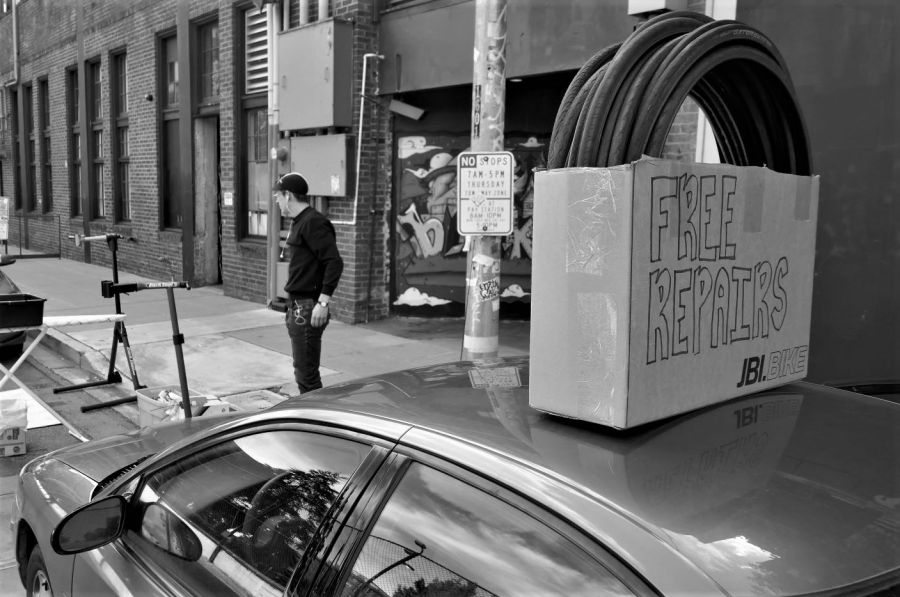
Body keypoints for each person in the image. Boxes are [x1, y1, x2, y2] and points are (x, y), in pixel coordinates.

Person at [273, 172, 343, 393]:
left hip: (308, 306)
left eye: (278, 196)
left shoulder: (314, 222)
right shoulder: (300, 222)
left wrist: (322, 303)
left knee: (307, 376)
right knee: (303, 372)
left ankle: (318, 421)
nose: (276, 201)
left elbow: (334, 262)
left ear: (288, 195)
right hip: (297, 305)